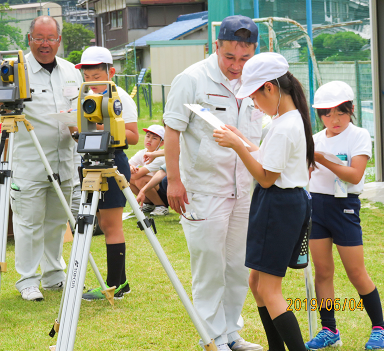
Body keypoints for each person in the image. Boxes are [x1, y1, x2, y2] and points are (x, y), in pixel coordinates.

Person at [163, 15, 263, 351]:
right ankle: (212, 338)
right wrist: (174, 181)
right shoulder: (191, 79)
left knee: (237, 265)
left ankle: (232, 332)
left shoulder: (255, 81)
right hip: (203, 190)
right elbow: (173, 130)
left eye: (245, 58)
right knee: (209, 265)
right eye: (230, 57)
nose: (237, 67)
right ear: (216, 46)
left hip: (245, 189)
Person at [213, 52, 315, 351]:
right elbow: (268, 158)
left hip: (279, 205)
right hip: (280, 203)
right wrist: (242, 138)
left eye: (255, 97)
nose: (255, 104)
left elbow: (267, 177)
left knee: (270, 290)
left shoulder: (285, 126)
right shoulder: (287, 120)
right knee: (256, 283)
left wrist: (236, 146)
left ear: (270, 88)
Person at [0, 16, 83, 301]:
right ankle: (27, 279)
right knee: (28, 222)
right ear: (29, 39)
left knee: (56, 221)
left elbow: (79, 107)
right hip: (29, 163)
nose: (45, 44)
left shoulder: (70, 71)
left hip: (64, 161)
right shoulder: (16, 68)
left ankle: (54, 274)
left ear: (59, 40)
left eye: (51, 38)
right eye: (39, 38)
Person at [305, 81, 384, 350]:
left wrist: (321, 158)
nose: (333, 119)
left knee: (356, 271)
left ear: (351, 109)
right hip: (316, 206)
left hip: (345, 207)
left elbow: (354, 175)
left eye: (340, 112)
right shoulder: (314, 139)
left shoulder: (359, 135)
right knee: (323, 271)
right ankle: (329, 330)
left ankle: (379, 329)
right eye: (326, 113)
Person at [74, 46, 139, 301]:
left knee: (111, 225)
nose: (92, 82)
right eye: (87, 77)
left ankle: (116, 285)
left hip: (112, 163)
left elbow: (133, 136)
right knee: (101, 222)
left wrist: (101, 125)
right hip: (90, 162)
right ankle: (119, 281)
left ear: (110, 72)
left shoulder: (120, 97)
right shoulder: (86, 96)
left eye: (96, 76)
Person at [129, 124, 166, 213]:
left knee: (140, 180)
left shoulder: (160, 157)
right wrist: (131, 167)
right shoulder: (142, 152)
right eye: (148, 136)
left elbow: (136, 175)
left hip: (164, 191)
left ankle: (161, 206)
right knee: (125, 179)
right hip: (151, 188)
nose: (149, 140)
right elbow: (126, 166)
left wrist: (130, 170)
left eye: (154, 138)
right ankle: (148, 203)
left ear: (161, 143)